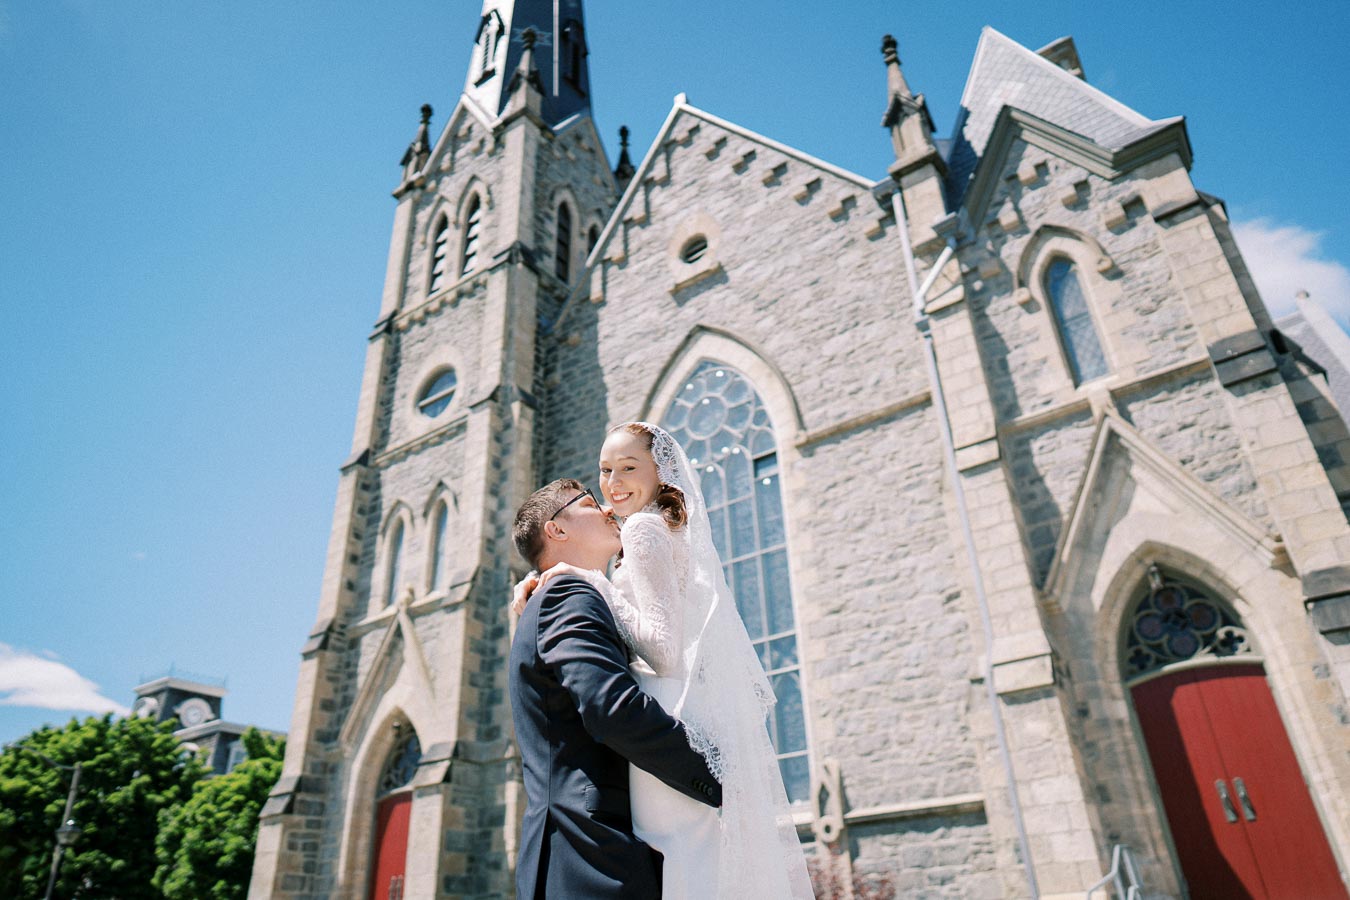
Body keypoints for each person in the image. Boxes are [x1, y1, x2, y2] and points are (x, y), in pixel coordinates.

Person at [516, 423, 814, 899]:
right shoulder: (648, 532)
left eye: (628, 468)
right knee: (691, 859)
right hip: (675, 716)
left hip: (665, 713)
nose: (612, 485)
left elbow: (661, 649)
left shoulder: (643, 529)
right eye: (604, 472)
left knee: (685, 859)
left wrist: (586, 579)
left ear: (660, 472)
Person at [508, 477, 723, 900]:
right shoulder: (565, 594)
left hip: (599, 852)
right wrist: (716, 774)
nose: (609, 508)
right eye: (590, 502)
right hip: (585, 854)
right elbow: (612, 707)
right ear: (557, 530)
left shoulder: (565, 593)